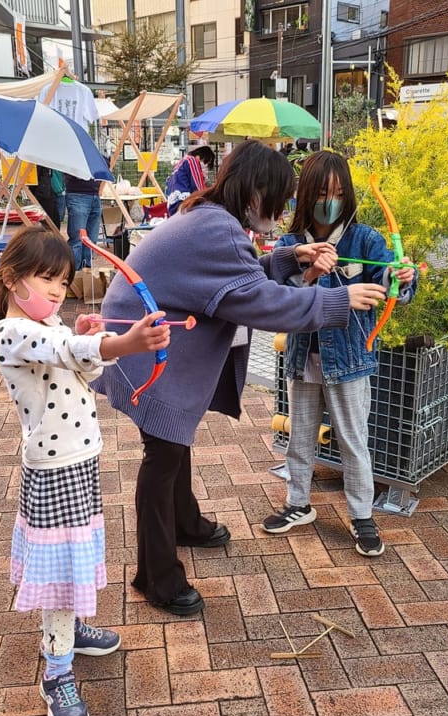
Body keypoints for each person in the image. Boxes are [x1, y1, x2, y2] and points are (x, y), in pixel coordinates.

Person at [91, 140, 387, 616]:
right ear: (255, 194)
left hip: (143, 333)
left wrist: (292, 260)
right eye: (281, 198)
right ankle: (156, 576)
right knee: (162, 453)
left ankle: (184, 522)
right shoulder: (219, 230)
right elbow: (264, 303)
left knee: (173, 438)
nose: (283, 209)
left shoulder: (213, 217)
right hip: (141, 343)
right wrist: (339, 300)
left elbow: (235, 276)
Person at [0, 228, 170, 716]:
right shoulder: (13, 331)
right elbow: (63, 347)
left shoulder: (48, 331)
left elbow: (76, 366)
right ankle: (56, 671)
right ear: (10, 278)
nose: (55, 291)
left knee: (73, 560)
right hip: (53, 471)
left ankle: (70, 630)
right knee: (59, 573)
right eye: (45, 279)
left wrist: (90, 339)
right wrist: (125, 341)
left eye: (63, 283)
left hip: (79, 462)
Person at [262, 150, 417, 556]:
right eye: (320, 192)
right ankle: (298, 503)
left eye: (336, 192)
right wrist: (310, 272)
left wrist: (401, 276)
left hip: (349, 360)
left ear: (346, 194)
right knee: (299, 436)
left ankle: (362, 515)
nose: (327, 200)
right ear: (306, 194)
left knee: (353, 440)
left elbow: (391, 282)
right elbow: (279, 301)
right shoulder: (291, 243)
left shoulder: (364, 238)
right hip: (302, 356)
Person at [65, 172, 102, 270]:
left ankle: (86, 273)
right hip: (78, 193)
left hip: (95, 194)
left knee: (91, 240)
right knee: (77, 239)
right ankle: (74, 275)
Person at [164, 145, 215, 217]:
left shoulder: (182, 162)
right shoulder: (192, 161)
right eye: (205, 163)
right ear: (201, 157)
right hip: (184, 203)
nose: (204, 167)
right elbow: (198, 187)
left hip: (173, 204)